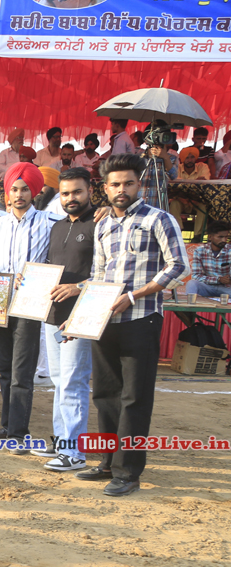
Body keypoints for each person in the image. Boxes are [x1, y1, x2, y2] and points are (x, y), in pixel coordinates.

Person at [80, 153, 189, 495]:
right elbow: (98, 276)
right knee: (105, 394)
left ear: (139, 184)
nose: (122, 189)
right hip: (105, 321)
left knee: (134, 398)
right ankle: (107, 462)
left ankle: (128, 473)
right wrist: (80, 318)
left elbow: (179, 267)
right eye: (115, 184)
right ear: (105, 188)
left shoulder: (159, 219)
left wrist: (134, 295)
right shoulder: (102, 226)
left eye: (128, 183)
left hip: (142, 318)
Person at [34, 167, 99, 471]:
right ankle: (62, 441)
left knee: (73, 381)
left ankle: (74, 452)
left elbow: (107, 273)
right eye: (65, 193)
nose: (71, 198)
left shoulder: (101, 223)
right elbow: (49, 266)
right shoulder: (57, 226)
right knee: (60, 380)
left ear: (90, 191)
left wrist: (78, 288)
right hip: (53, 313)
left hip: (82, 314)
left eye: (77, 192)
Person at [0, 162, 54, 448]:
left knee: (22, 371)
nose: (19, 195)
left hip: (29, 303)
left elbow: (55, 260)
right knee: (5, 368)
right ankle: (7, 426)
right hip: (0, 301)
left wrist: (38, 275)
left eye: (25, 189)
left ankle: (18, 433)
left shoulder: (49, 222)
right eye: (14, 189)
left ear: (34, 191)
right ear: (7, 192)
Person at [192, 222, 231, 297]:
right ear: (210, 237)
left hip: (227, 288)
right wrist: (218, 279)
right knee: (192, 284)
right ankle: (189, 304)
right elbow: (195, 276)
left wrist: (228, 279)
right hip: (207, 287)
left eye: (226, 237)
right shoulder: (199, 251)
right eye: (220, 237)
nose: (224, 240)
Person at [140, 130, 175, 211]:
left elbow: (173, 176)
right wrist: (149, 155)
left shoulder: (172, 158)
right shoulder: (140, 158)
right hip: (139, 204)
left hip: (158, 205)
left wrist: (165, 157)